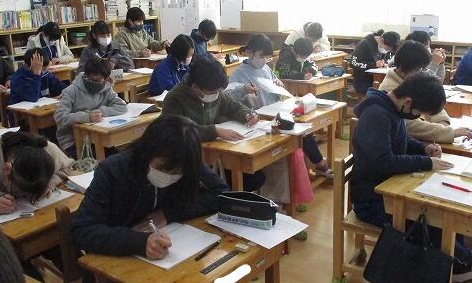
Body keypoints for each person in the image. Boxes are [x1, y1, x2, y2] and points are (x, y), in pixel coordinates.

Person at [71, 116, 228, 283]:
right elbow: (82, 229)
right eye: (164, 168)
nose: (171, 176)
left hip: (171, 257)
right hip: (115, 267)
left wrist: (169, 214)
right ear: (148, 150)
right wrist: (139, 242)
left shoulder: (185, 161)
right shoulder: (113, 170)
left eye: (178, 173)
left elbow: (222, 194)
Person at [352, 72, 472, 283]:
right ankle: (470, 261)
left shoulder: (392, 109)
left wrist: (424, 149)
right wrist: (427, 162)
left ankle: (459, 266)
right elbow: (383, 161)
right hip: (372, 201)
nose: (418, 116)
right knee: (429, 221)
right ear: (408, 102)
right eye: (419, 113)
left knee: (443, 211)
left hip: (388, 189)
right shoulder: (376, 115)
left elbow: (401, 140)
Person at [228, 34, 333, 177]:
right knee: (296, 130)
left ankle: (315, 163)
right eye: (261, 56)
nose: (264, 60)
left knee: (302, 128)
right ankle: (318, 164)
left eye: (267, 58)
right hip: (259, 117)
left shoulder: (265, 68)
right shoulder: (239, 73)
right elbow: (229, 99)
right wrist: (243, 89)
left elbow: (274, 87)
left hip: (274, 111)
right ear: (249, 53)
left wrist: (278, 85)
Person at [161, 56, 264, 190]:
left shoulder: (214, 90)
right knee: (231, 183)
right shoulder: (175, 98)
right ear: (195, 87)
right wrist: (214, 131)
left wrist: (248, 115)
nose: (216, 94)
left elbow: (233, 107)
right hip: (187, 158)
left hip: (214, 151)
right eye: (213, 92)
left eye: (219, 91)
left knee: (256, 177)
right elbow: (176, 131)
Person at [379, 41, 472, 143]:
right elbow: (410, 126)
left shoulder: (411, 80)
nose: (423, 73)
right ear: (404, 67)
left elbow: (431, 100)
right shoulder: (390, 88)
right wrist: (447, 132)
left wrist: (442, 121)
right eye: (420, 69)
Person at [55, 58, 128, 158]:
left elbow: (122, 106)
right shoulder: (71, 91)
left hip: (98, 136)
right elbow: (59, 116)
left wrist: (100, 112)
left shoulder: (106, 89)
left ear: (106, 79)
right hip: (73, 139)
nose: (91, 82)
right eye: (88, 79)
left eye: (96, 80)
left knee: (116, 159)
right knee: (95, 163)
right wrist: (87, 116)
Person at [350, 29, 401, 95]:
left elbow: (387, 59)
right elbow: (353, 63)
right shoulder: (364, 44)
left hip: (378, 78)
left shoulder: (385, 45)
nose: (387, 51)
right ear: (382, 40)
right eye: (387, 49)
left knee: (392, 90)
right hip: (363, 80)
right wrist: (374, 64)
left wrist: (384, 63)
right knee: (382, 92)